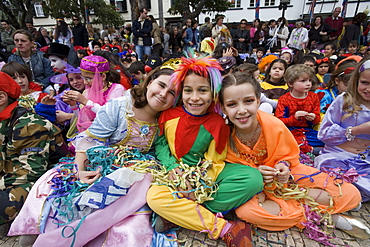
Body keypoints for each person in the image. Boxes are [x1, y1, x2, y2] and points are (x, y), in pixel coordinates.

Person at [8, 65, 180, 247]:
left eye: (171, 93)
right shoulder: (120, 107)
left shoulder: (166, 119)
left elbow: (162, 149)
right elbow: (89, 140)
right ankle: (46, 231)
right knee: (77, 192)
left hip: (135, 171)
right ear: (150, 82)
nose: (163, 94)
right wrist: (80, 170)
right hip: (101, 163)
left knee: (138, 192)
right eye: (161, 85)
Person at [219, 71, 366, 244]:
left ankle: (299, 208)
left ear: (259, 101)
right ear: (223, 108)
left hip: (287, 179)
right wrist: (255, 173)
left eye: (248, 101)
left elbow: (288, 156)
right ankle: (319, 216)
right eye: (232, 104)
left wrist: (283, 166)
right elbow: (225, 168)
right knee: (246, 213)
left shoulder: (272, 124)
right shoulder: (222, 133)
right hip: (255, 188)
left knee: (350, 193)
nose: (242, 110)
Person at [147, 56, 263, 247]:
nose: (194, 98)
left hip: (204, 177)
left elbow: (215, 160)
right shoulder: (168, 115)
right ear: (181, 92)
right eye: (188, 91)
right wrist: (172, 167)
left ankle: (180, 215)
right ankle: (223, 228)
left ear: (213, 94)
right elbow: (161, 144)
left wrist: (198, 187)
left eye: (202, 90)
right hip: (173, 175)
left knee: (253, 179)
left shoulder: (217, 123)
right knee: (154, 198)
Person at [0, 71, 67, 237]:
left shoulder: (28, 125)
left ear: (2, 98)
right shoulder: (4, 119)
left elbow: (32, 172)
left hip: (45, 181)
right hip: (12, 174)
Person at [315, 58, 370, 203]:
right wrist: (356, 130)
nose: (368, 89)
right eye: (365, 83)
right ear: (357, 81)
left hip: (366, 160)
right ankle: (346, 196)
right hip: (338, 155)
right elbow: (324, 135)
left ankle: (350, 196)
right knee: (332, 175)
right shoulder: (345, 101)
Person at [62, 55, 125, 134]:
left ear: (103, 76)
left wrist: (85, 101)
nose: (85, 82)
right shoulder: (87, 92)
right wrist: (73, 106)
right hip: (93, 134)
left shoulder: (116, 89)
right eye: (83, 78)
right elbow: (84, 121)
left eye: (88, 78)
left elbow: (109, 115)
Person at [275, 64, 323, 150]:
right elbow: (279, 121)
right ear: (290, 83)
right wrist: (294, 118)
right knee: (285, 140)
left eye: (309, 80)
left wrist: (313, 118)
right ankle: (308, 149)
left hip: (307, 131)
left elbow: (317, 119)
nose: (308, 84)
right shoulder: (284, 99)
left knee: (325, 139)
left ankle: (306, 147)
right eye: (303, 81)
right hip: (289, 131)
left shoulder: (314, 97)